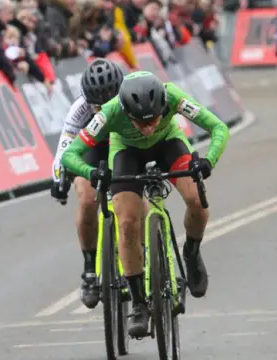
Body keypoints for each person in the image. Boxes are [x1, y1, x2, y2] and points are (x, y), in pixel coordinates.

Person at [60, 71, 229, 337]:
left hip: (168, 145)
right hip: (127, 153)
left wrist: (208, 160)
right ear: (125, 112)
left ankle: (192, 252)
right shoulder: (109, 111)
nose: (148, 128)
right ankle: (139, 303)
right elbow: (70, 154)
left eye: (153, 120)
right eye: (140, 123)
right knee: (127, 223)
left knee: (196, 199)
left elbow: (218, 127)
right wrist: (92, 172)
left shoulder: (173, 95)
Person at [51, 59, 124, 309]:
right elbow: (64, 146)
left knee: (134, 196)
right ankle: (90, 270)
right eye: (96, 105)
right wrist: (58, 178)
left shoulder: (129, 99)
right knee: (86, 198)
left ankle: (141, 255)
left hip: (122, 144)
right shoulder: (80, 108)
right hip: (90, 148)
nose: (100, 110)